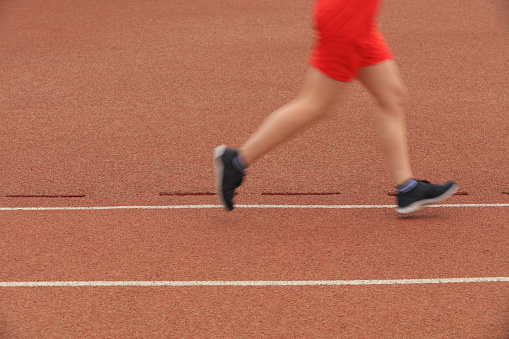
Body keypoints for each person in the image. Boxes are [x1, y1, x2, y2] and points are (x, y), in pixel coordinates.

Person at [214, 0, 458, 214]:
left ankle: (407, 188)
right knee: (316, 103)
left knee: (390, 96)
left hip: (359, 19)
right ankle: (236, 161)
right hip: (346, 18)